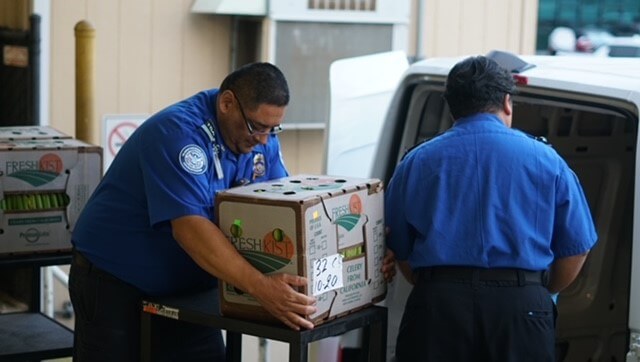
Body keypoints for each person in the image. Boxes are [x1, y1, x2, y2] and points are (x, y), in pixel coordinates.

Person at [69, 62, 395, 361]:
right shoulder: (178, 135)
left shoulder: (260, 140)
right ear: (227, 104)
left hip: (189, 288)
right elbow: (189, 227)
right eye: (257, 127)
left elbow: (284, 210)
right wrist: (261, 287)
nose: (264, 139)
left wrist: (359, 257)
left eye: (273, 129)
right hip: (114, 280)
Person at [384, 56, 597, 362]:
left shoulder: (416, 162)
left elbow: (399, 248)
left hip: (437, 307)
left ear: (452, 106)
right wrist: (537, 288)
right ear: (507, 102)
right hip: (522, 307)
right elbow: (577, 247)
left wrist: (440, 285)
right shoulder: (547, 160)